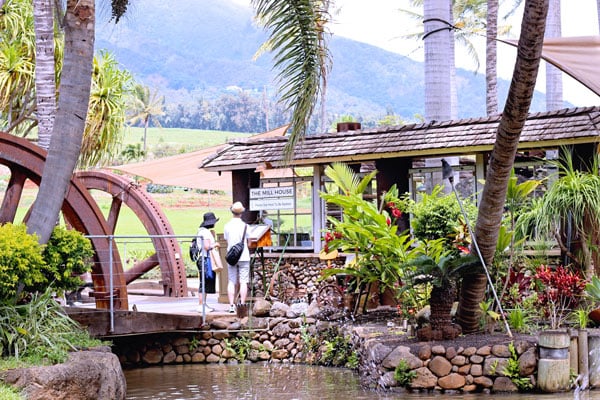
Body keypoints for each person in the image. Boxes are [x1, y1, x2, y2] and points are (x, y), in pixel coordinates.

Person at [224, 201, 250, 314]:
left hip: (231, 256)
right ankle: (242, 304)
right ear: (241, 213)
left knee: (231, 281)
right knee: (244, 281)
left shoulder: (227, 226)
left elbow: (226, 240)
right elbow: (248, 243)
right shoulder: (245, 226)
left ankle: (231, 305)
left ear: (232, 212)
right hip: (244, 255)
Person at [196, 211, 220, 313]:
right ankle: (201, 305)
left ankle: (204, 304)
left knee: (205, 282)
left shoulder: (202, 231)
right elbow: (206, 246)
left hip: (204, 258)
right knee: (204, 282)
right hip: (205, 259)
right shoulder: (205, 232)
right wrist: (215, 244)